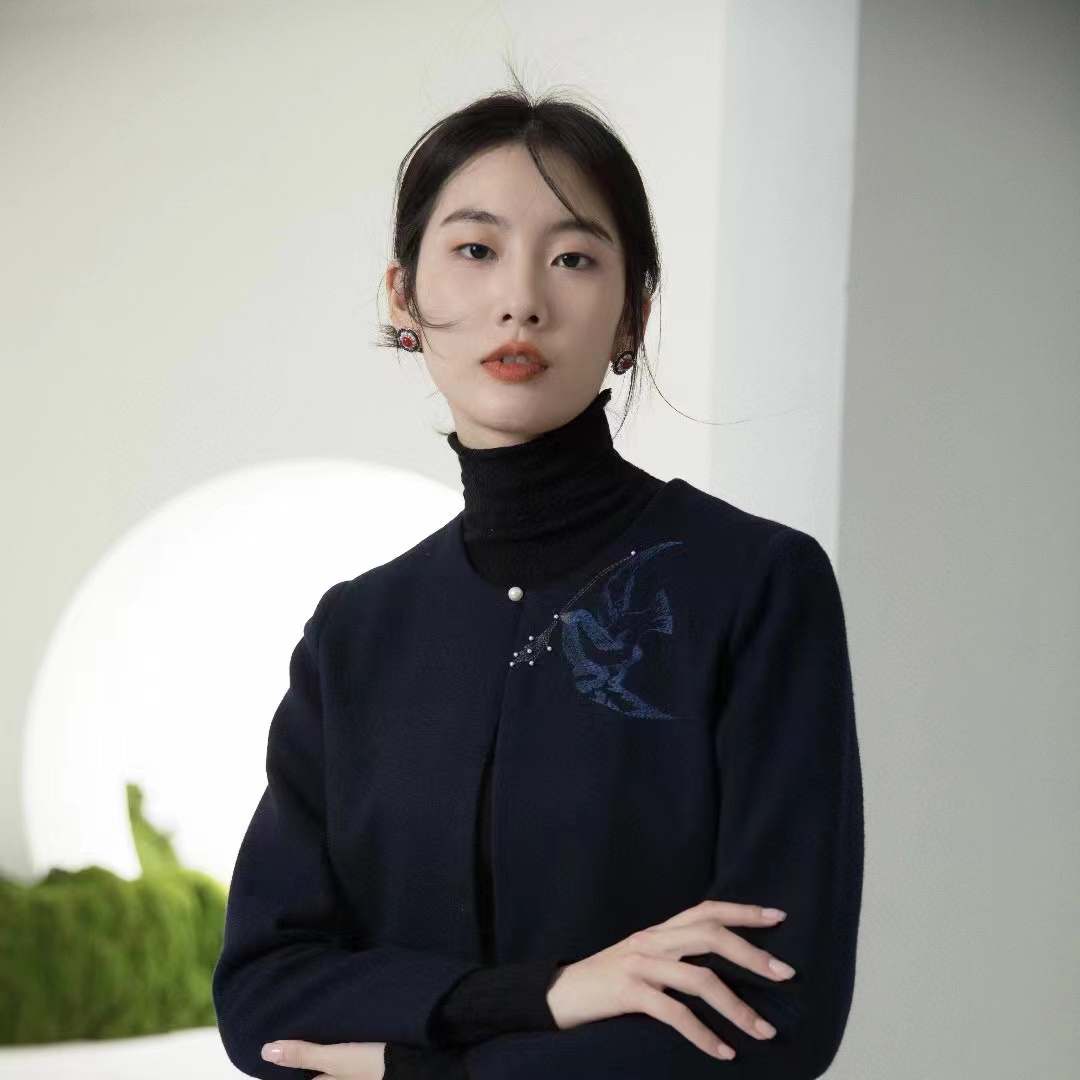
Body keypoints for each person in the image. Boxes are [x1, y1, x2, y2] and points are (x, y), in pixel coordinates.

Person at [212, 76, 864, 1080]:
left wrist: (420, 1069)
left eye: (573, 258)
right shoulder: (355, 634)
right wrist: (551, 996)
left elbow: (775, 1010)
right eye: (475, 250)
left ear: (633, 314)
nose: (521, 299)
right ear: (403, 297)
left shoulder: (756, 586)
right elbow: (264, 994)